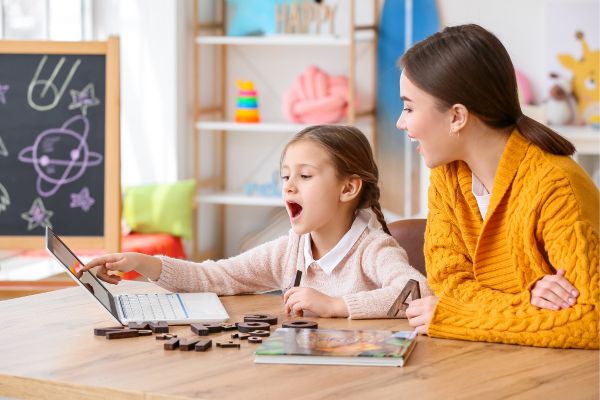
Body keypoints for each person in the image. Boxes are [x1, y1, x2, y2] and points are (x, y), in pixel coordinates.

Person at [81, 125, 430, 319]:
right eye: (285, 176)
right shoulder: (290, 250)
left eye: (305, 176)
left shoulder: (372, 248)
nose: (289, 186)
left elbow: (417, 292)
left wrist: (336, 305)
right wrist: (146, 264)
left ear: (348, 187)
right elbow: (218, 276)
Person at [398, 24, 598, 349]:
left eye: (409, 108)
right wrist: (528, 300)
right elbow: (449, 286)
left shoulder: (556, 186)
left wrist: (456, 317)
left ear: (457, 117)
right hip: (484, 362)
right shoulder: (447, 176)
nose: (401, 122)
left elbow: (591, 319)